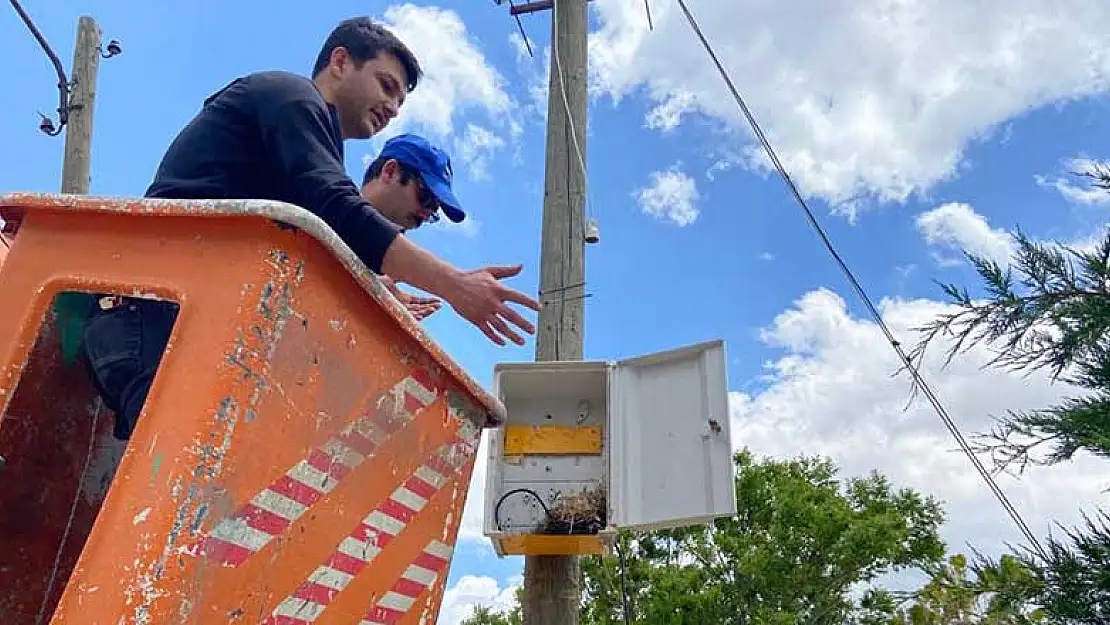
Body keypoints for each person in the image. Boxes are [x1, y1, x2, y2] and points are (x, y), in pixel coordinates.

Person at [80, 17, 540, 440]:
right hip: (157, 319)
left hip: (170, 323)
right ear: (340, 62)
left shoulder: (303, 149)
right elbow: (336, 207)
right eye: (387, 85)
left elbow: (315, 244)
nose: (393, 107)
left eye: (401, 101)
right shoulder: (292, 98)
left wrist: (373, 287)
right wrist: (456, 286)